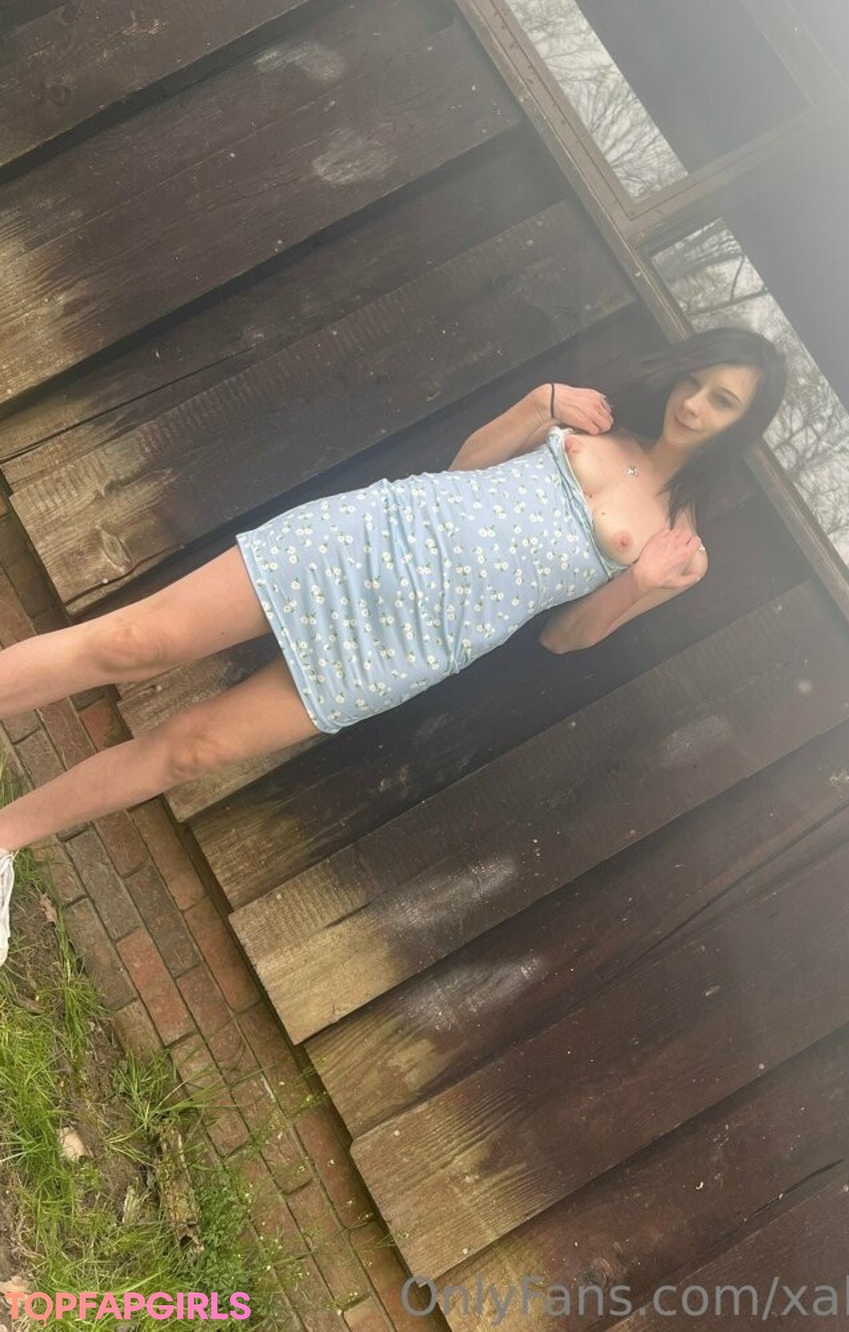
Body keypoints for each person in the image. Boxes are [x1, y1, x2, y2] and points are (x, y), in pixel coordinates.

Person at [0, 326, 786, 964]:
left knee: (194, 750)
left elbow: (565, 635)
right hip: (378, 537)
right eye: (695, 381)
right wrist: (539, 402)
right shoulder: (594, 423)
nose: (694, 404)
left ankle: (3, 838)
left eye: (721, 400)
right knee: (134, 639)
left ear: (742, 425)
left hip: (414, 639)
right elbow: (465, 467)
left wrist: (638, 581)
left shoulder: (682, 552)